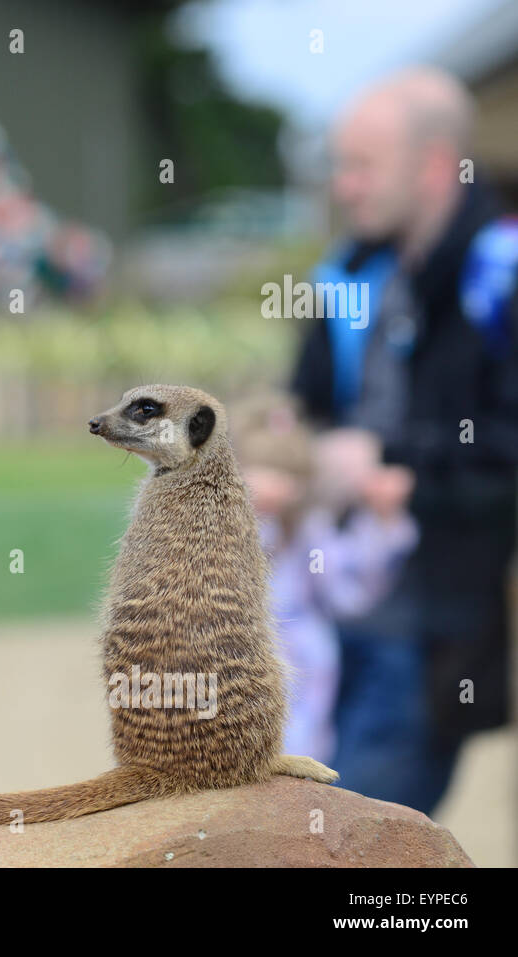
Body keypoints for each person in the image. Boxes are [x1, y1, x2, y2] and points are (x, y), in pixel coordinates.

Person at [291, 68, 518, 813]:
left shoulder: (500, 280)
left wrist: (391, 462)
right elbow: (308, 409)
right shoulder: (348, 275)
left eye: (362, 165)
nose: (344, 186)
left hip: (432, 636)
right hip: (322, 621)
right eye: (339, 165)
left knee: (347, 847)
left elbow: (503, 455)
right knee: (282, 825)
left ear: (431, 163)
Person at [234, 395, 417, 765]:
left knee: (298, 744)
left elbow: (347, 590)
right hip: (237, 645)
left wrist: (382, 523)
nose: (273, 485)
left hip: (301, 653)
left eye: (287, 473)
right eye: (262, 470)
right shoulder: (228, 531)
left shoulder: (308, 534)